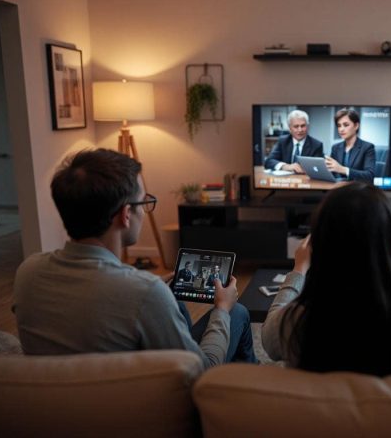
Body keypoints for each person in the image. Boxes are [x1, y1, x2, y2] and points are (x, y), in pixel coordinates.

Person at [13, 149, 256, 367]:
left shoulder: (28, 271)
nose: (145, 208)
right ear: (126, 214)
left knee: (172, 298)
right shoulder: (143, 293)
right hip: (140, 406)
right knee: (238, 312)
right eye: (144, 201)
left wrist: (154, 291)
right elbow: (201, 371)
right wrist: (222, 309)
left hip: (56, 399)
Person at [262, 182, 391, 376]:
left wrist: (299, 270)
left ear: (319, 242)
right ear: (390, 244)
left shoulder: (295, 320)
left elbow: (268, 341)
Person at [326, 108, 376, 183]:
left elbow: (369, 176)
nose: (341, 129)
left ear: (356, 126)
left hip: (358, 190)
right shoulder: (335, 147)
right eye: (339, 126)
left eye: (346, 125)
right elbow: (332, 173)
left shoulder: (368, 147)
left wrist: (343, 169)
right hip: (338, 188)